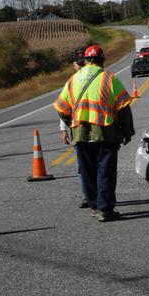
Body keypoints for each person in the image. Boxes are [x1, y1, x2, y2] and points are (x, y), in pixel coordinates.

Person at [53, 43, 135, 222]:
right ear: (101, 60)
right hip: (106, 133)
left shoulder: (73, 79)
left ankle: (95, 206)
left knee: (87, 171)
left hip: (80, 133)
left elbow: (61, 108)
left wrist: (71, 124)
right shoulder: (109, 78)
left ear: (86, 60)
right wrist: (128, 132)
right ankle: (105, 209)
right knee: (105, 171)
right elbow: (123, 108)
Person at [59, 45, 89, 208]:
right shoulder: (71, 82)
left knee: (90, 164)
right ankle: (87, 195)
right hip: (78, 130)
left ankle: (95, 195)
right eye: (76, 62)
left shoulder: (96, 78)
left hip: (92, 129)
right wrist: (63, 129)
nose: (76, 65)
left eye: (79, 62)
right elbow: (64, 108)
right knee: (82, 165)